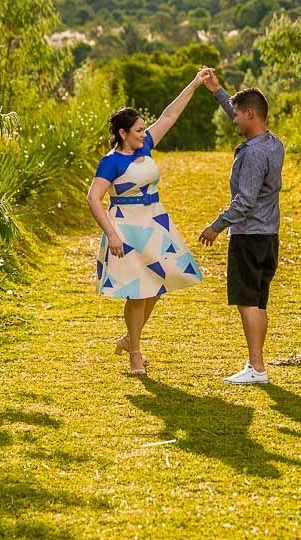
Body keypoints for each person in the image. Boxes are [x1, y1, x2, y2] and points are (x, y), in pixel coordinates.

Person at [86, 72, 207, 375]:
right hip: (126, 230)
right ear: (123, 133)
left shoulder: (145, 146)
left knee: (156, 287)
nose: (144, 133)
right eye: (139, 130)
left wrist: (194, 83)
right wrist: (112, 235)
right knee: (138, 293)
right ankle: (135, 355)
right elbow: (93, 198)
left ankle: (130, 338)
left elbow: (170, 115)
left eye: (144, 129)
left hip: (155, 224)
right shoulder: (111, 162)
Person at [197, 68, 285, 385]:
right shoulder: (272, 143)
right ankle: (256, 364)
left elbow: (244, 201)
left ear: (250, 114)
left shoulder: (253, 155)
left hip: (248, 237)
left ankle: (257, 368)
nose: (233, 120)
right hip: (268, 236)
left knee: (247, 303)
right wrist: (218, 91)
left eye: (236, 115)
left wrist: (216, 226)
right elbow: (242, 117)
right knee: (258, 303)